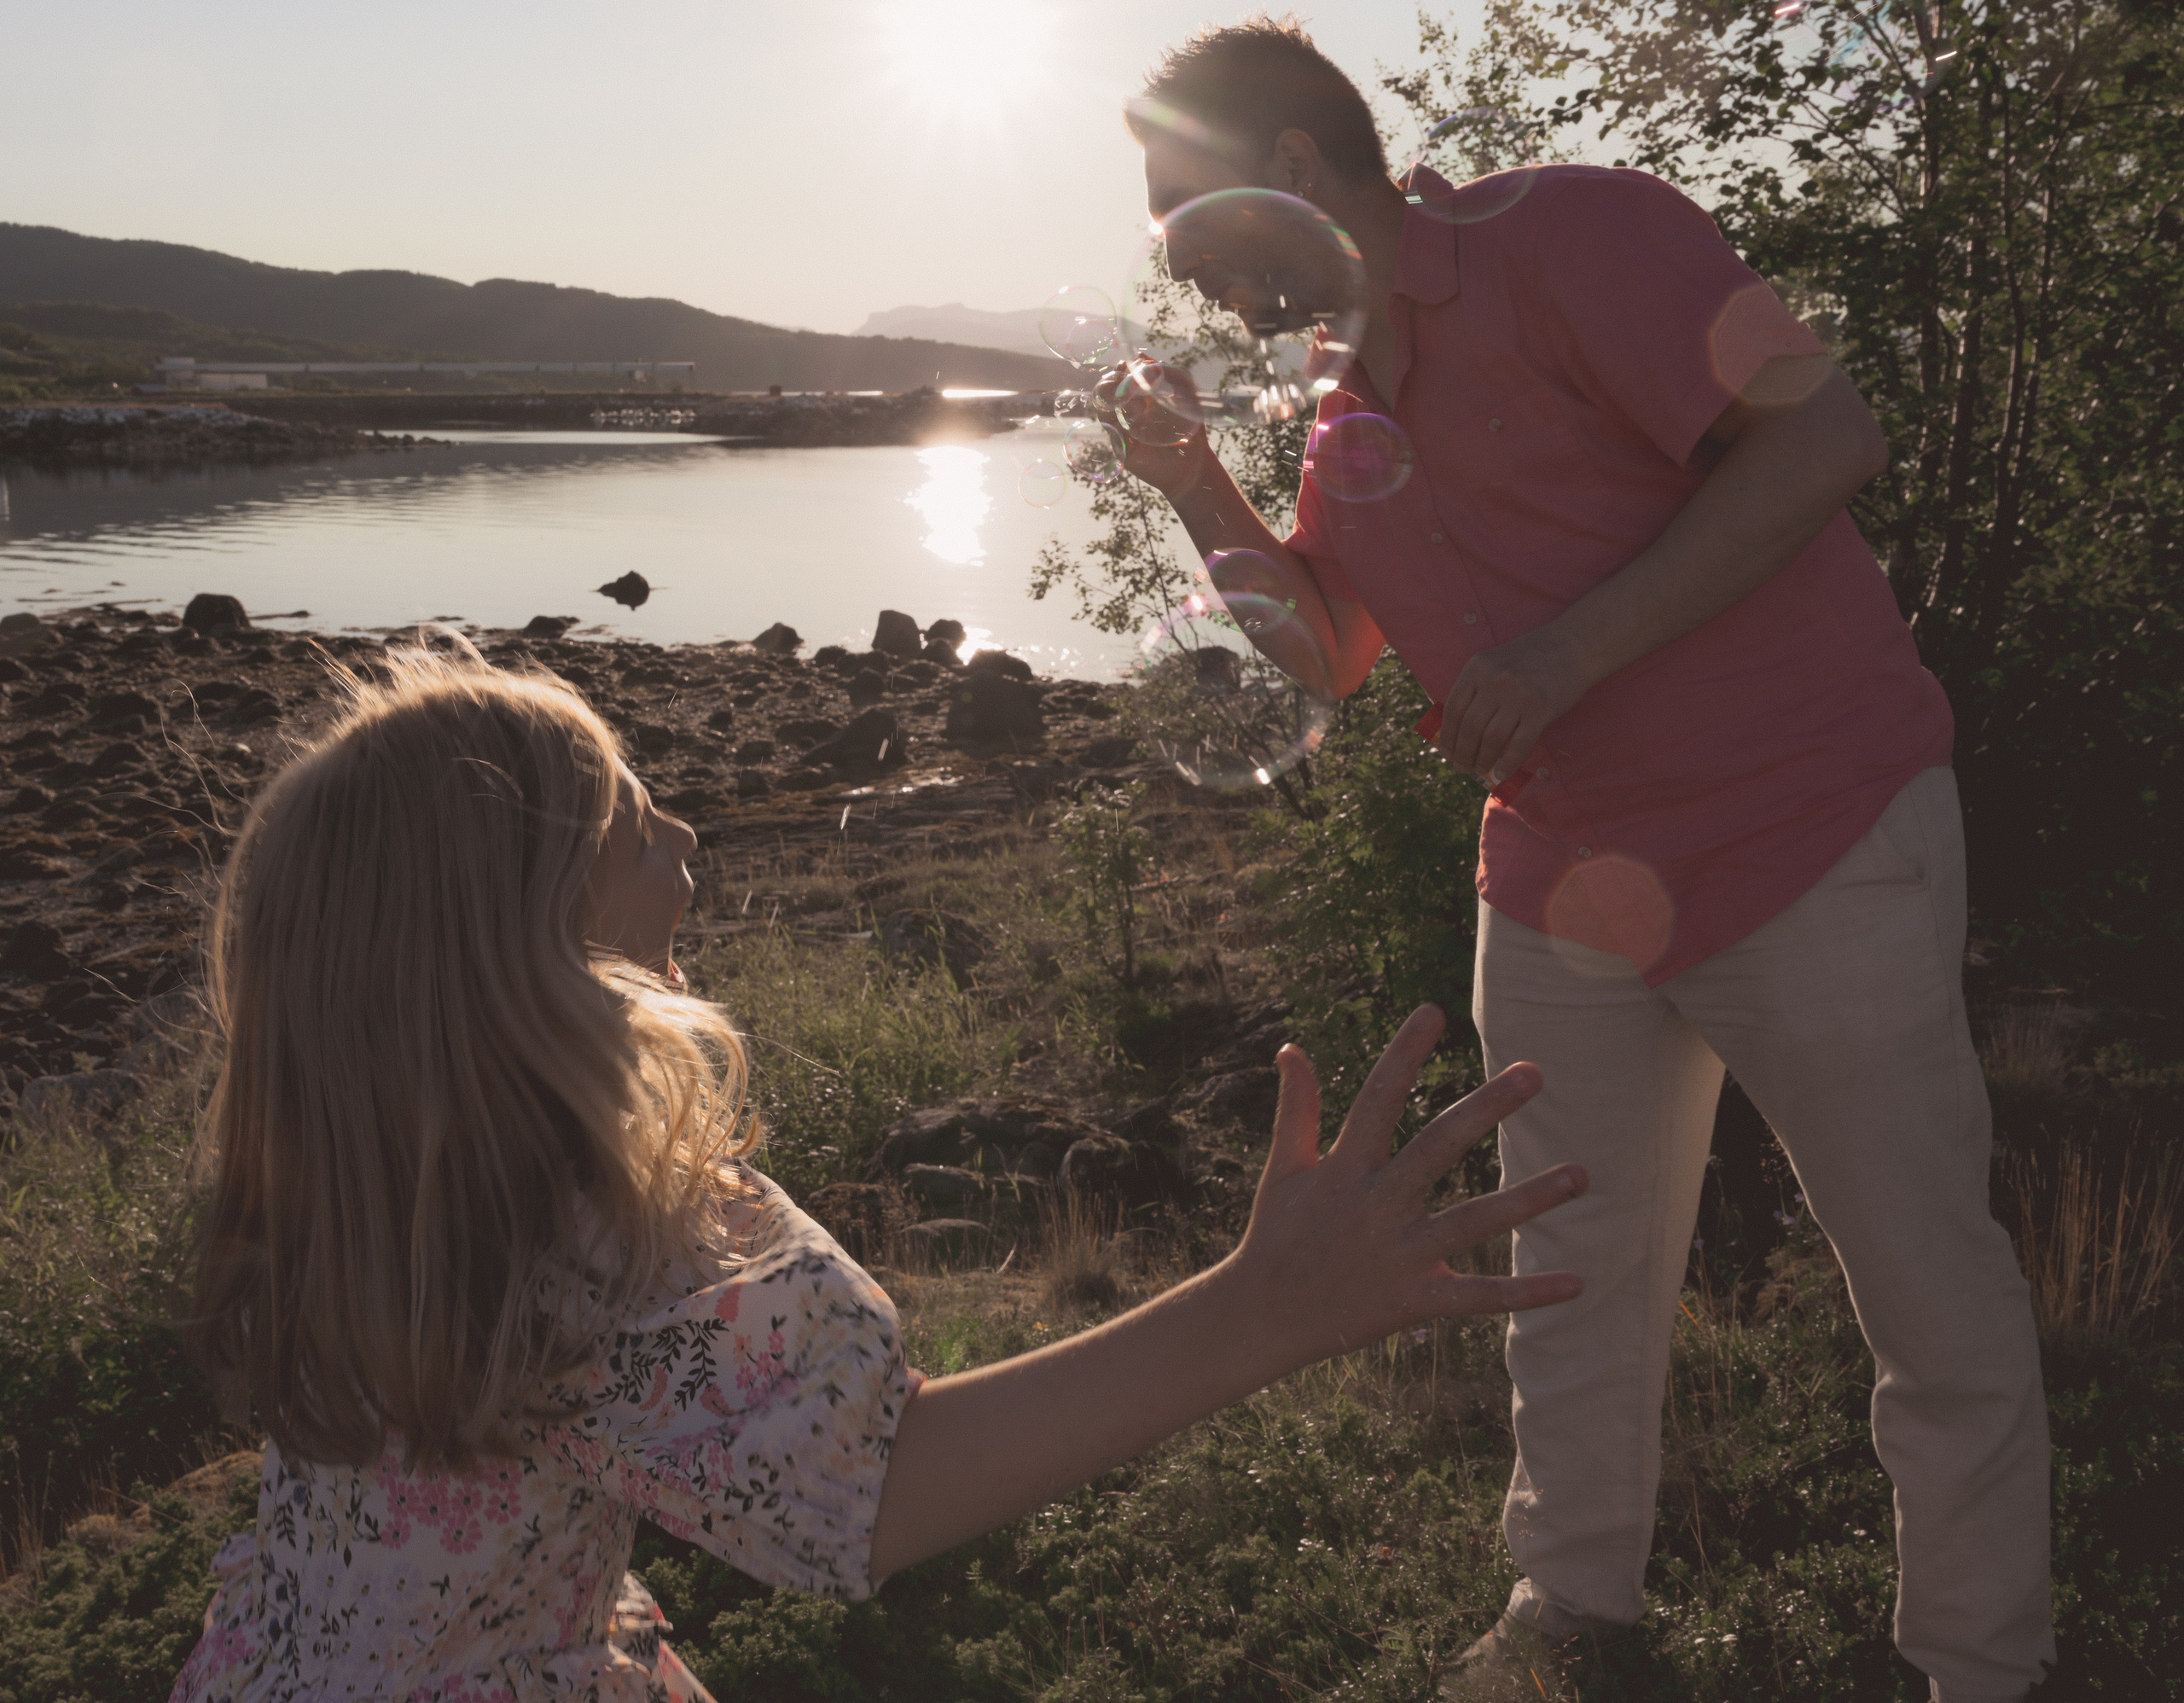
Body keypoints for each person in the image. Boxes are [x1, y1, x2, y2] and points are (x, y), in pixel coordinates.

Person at [1101, 19, 2053, 1703]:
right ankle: (1570, 1612)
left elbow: (1824, 439)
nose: (1184, 274)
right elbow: (1326, 649)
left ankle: (1979, 1662)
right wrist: (1192, 483)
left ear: (1295, 172)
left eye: (1191, 225)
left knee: (1926, 1285)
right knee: (1559, 1270)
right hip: (1558, 884)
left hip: (1811, 834)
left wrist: (1563, 654)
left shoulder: (1582, 234)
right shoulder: (1341, 408)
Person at [168, 648, 1587, 1702]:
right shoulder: (580, 1230)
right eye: (635, 824)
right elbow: (881, 1489)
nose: (687, 840)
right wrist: (1266, 1306)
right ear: (523, 942)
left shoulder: (372, 1182)